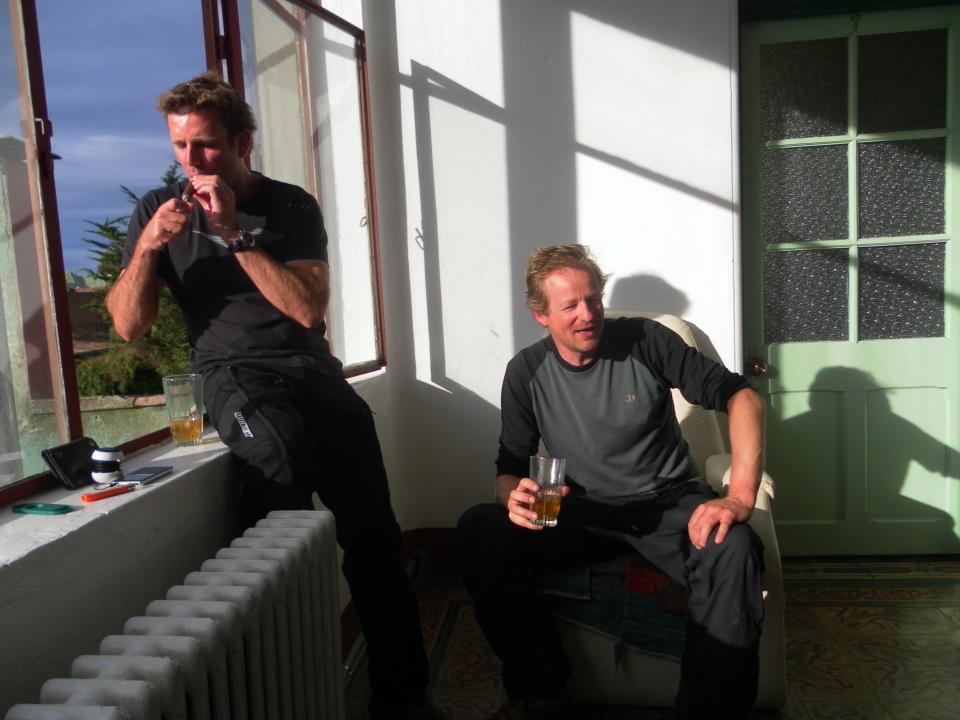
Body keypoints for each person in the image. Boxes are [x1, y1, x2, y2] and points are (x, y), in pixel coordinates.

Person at [106, 72, 433, 719]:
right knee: (278, 482)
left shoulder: (290, 206)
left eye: (206, 144)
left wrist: (233, 233)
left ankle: (404, 699)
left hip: (315, 375)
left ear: (242, 143)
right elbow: (127, 326)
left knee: (377, 544)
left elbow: (307, 308)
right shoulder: (156, 210)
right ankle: (286, 690)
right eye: (180, 146)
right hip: (234, 374)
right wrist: (146, 248)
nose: (192, 160)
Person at [457, 244, 766, 720]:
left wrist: (739, 497)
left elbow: (741, 397)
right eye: (570, 306)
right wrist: (512, 496)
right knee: (479, 529)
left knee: (736, 547)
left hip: (667, 505)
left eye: (593, 299)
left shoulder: (646, 340)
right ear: (541, 316)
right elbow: (510, 465)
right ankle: (540, 688)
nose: (587, 315)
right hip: (581, 512)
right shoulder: (525, 371)